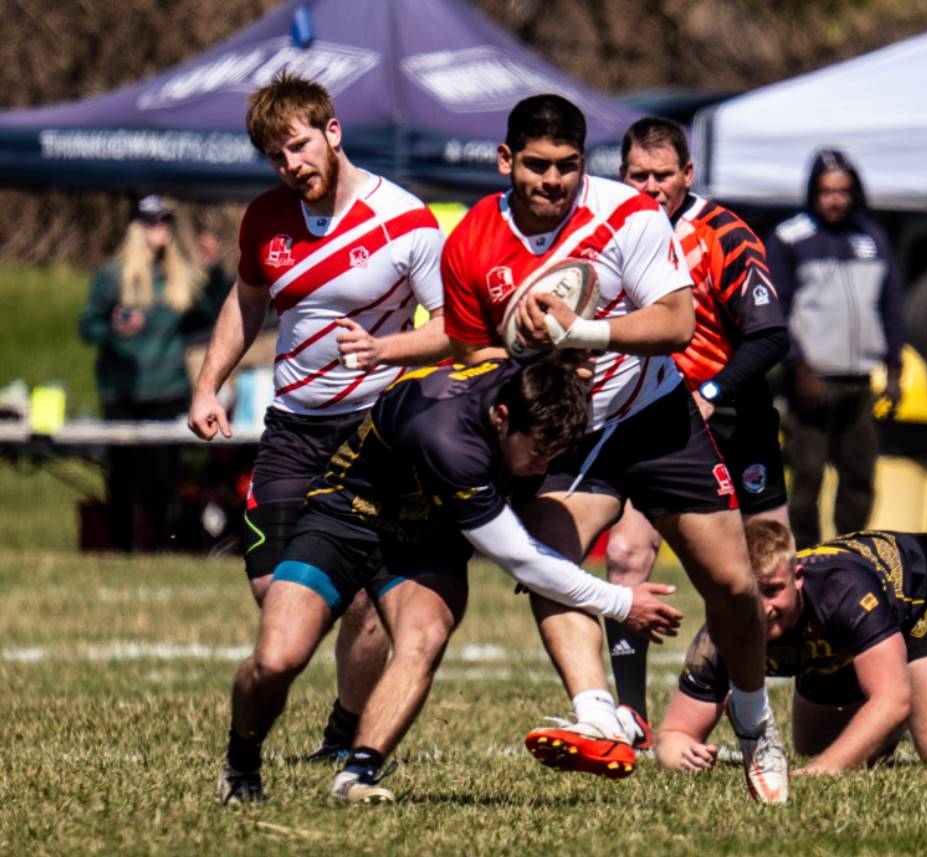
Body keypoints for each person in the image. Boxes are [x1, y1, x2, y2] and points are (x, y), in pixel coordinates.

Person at [441, 94, 788, 802]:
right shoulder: (473, 238)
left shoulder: (628, 213)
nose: (553, 180)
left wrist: (583, 333)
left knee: (730, 582)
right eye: (536, 166)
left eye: (568, 166)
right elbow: (468, 343)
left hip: (654, 411)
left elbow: (677, 321)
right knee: (544, 559)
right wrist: (514, 362)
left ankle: (753, 718)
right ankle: (600, 715)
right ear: (506, 161)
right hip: (569, 430)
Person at [218, 358, 683, 804]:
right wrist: (622, 603)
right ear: (501, 418)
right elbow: (520, 559)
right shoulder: (448, 437)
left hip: (428, 540)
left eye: (554, 455)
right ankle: (241, 762)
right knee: (278, 660)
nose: (543, 468)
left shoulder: (530, 393)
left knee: (425, 637)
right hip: (346, 521)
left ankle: (358, 772)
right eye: (538, 452)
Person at [188, 72, 451, 762]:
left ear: (333, 131)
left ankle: (343, 732)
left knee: (366, 599)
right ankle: (298, 692)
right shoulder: (265, 218)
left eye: (299, 147)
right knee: (276, 589)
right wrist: (208, 384)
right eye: (276, 157)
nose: (291, 166)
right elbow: (247, 301)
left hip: (377, 436)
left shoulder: (407, 222)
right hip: (293, 431)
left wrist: (388, 348)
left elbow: (458, 325)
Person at [601, 117, 790, 729]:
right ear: (620, 174)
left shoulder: (725, 234)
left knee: (767, 571)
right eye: (638, 176)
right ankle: (630, 712)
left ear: (688, 174)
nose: (651, 188)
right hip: (652, 419)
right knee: (627, 553)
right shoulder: (607, 232)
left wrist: (712, 390)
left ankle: (747, 699)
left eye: (663, 176)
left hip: (734, 419)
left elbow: (769, 337)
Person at [655, 520, 927, 774]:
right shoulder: (723, 627)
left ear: (796, 578)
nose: (764, 609)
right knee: (815, 748)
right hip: (838, 642)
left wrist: (825, 771)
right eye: (751, 595)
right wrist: (679, 754)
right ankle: (880, 730)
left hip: (923, 591)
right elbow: (674, 734)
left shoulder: (844, 593)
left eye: (773, 591)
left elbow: (894, 700)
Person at [767, 149, 905, 550]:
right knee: (807, 475)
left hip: (860, 378)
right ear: (812, 192)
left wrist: (894, 366)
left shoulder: (871, 237)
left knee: (860, 474)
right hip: (810, 379)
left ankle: (851, 553)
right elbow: (775, 309)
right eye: (826, 191)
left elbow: (890, 305)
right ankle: (808, 557)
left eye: (843, 191)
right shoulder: (790, 238)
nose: (834, 199)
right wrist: (797, 365)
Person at [79, 195, 231, 551]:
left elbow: (215, 315)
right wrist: (113, 329)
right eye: (151, 221)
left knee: (164, 480)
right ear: (136, 227)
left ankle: (164, 549)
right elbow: (88, 327)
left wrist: (214, 271)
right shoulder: (112, 277)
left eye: (165, 220)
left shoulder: (178, 276)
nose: (160, 227)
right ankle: (121, 550)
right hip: (124, 392)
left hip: (169, 390)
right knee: (122, 479)